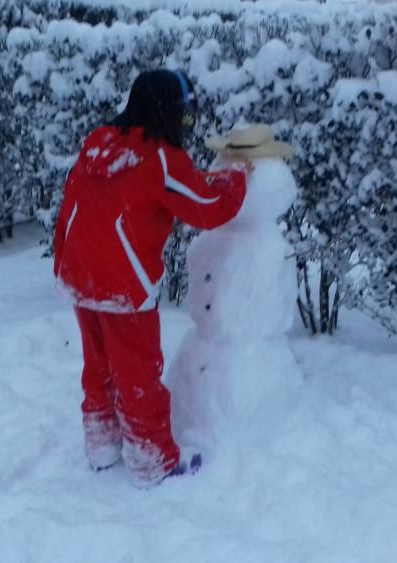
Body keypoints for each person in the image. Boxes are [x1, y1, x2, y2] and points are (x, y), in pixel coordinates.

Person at [52, 69, 250, 488]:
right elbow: (207, 205)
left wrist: (62, 263)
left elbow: (73, 204)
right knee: (137, 372)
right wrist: (237, 177)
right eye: (185, 113)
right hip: (123, 285)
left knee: (99, 365)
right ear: (168, 111)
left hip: (80, 274)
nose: (187, 122)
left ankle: (102, 443)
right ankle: (152, 461)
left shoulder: (100, 142)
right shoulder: (158, 157)